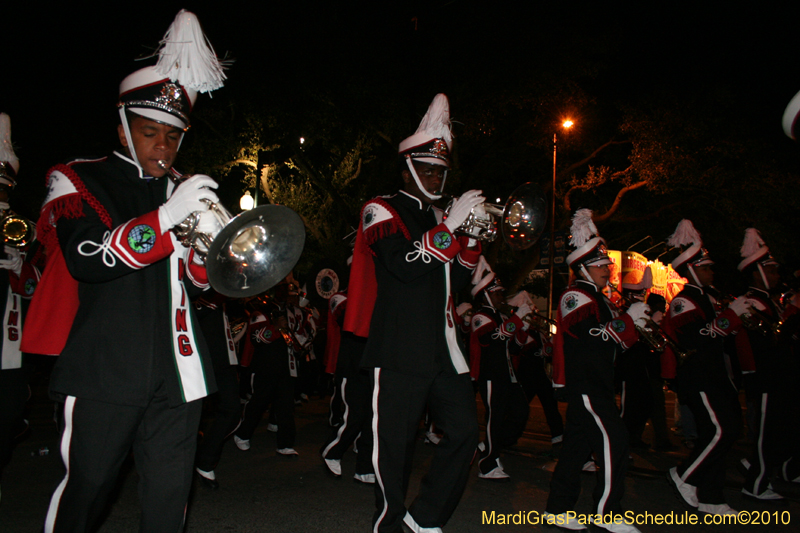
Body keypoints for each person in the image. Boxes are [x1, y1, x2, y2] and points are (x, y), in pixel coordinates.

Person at [21, 11, 226, 531]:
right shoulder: (77, 179)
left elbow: (202, 284)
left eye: (174, 136)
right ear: (123, 128)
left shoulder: (183, 190)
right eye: (151, 132)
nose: (164, 146)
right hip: (104, 370)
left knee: (168, 500)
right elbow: (88, 259)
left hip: (180, 374)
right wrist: (167, 219)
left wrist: (211, 242)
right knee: (86, 493)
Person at [344, 93, 483, 533]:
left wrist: (473, 239)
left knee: (464, 433)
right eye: (426, 169)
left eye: (441, 172)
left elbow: (454, 282)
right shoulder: (379, 208)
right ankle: (387, 522)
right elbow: (403, 266)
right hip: (400, 347)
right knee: (396, 445)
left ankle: (424, 517)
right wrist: (450, 228)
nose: (436, 178)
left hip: (443, 348)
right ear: (406, 169)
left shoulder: (441, 216)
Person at [544, 209, 649, 533]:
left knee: (576, 449)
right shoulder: (575, 295)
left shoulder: (598, 297)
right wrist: (628, 319)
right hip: (588, 384)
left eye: (607, 264)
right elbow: (592, 336)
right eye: (601, 265)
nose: (608, 269)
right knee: (615, 442)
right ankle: (606, 512)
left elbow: (611, 338)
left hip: (597, 383)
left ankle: (557, 509)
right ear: (583, 267)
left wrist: (632, 321)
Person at [661, 220, 753, 517]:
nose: (712, 272)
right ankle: (684, 474)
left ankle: (711, 497)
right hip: (699, 377)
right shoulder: (683, 301)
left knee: (725, 432)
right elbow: (697, 338)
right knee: (719, 431)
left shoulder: (709, 297)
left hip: (717, 377)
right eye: (706, 268)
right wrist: (730, 317)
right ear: (691, 270)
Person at [734, 228, 796, 502]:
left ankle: (779, 468)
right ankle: (756, 484)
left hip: (779, 376)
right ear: (757, 272)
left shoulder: (769, 302)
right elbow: (767, 343)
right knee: (765, 434)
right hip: (765, 376)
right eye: (770, 271)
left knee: (779, 429)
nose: (776, 276)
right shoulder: (751, 302)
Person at [0, 113, 41, 503]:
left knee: (10, 411)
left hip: (8, 348)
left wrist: (18, 265)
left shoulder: (16, 225)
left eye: (5, 187)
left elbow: (36, 289)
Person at [468, 258, 530, 481]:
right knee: (495, 418)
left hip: (508, 374)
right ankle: (488, 463)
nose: (501, 297)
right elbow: (492, 340)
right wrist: (516, 320)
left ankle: (488, 446)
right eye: (497, 293)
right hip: (491, 374)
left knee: (520, 412)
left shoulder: (502, 316)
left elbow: (513, 346)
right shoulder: (480, 316)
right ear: (485, 294)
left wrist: (523, 330)